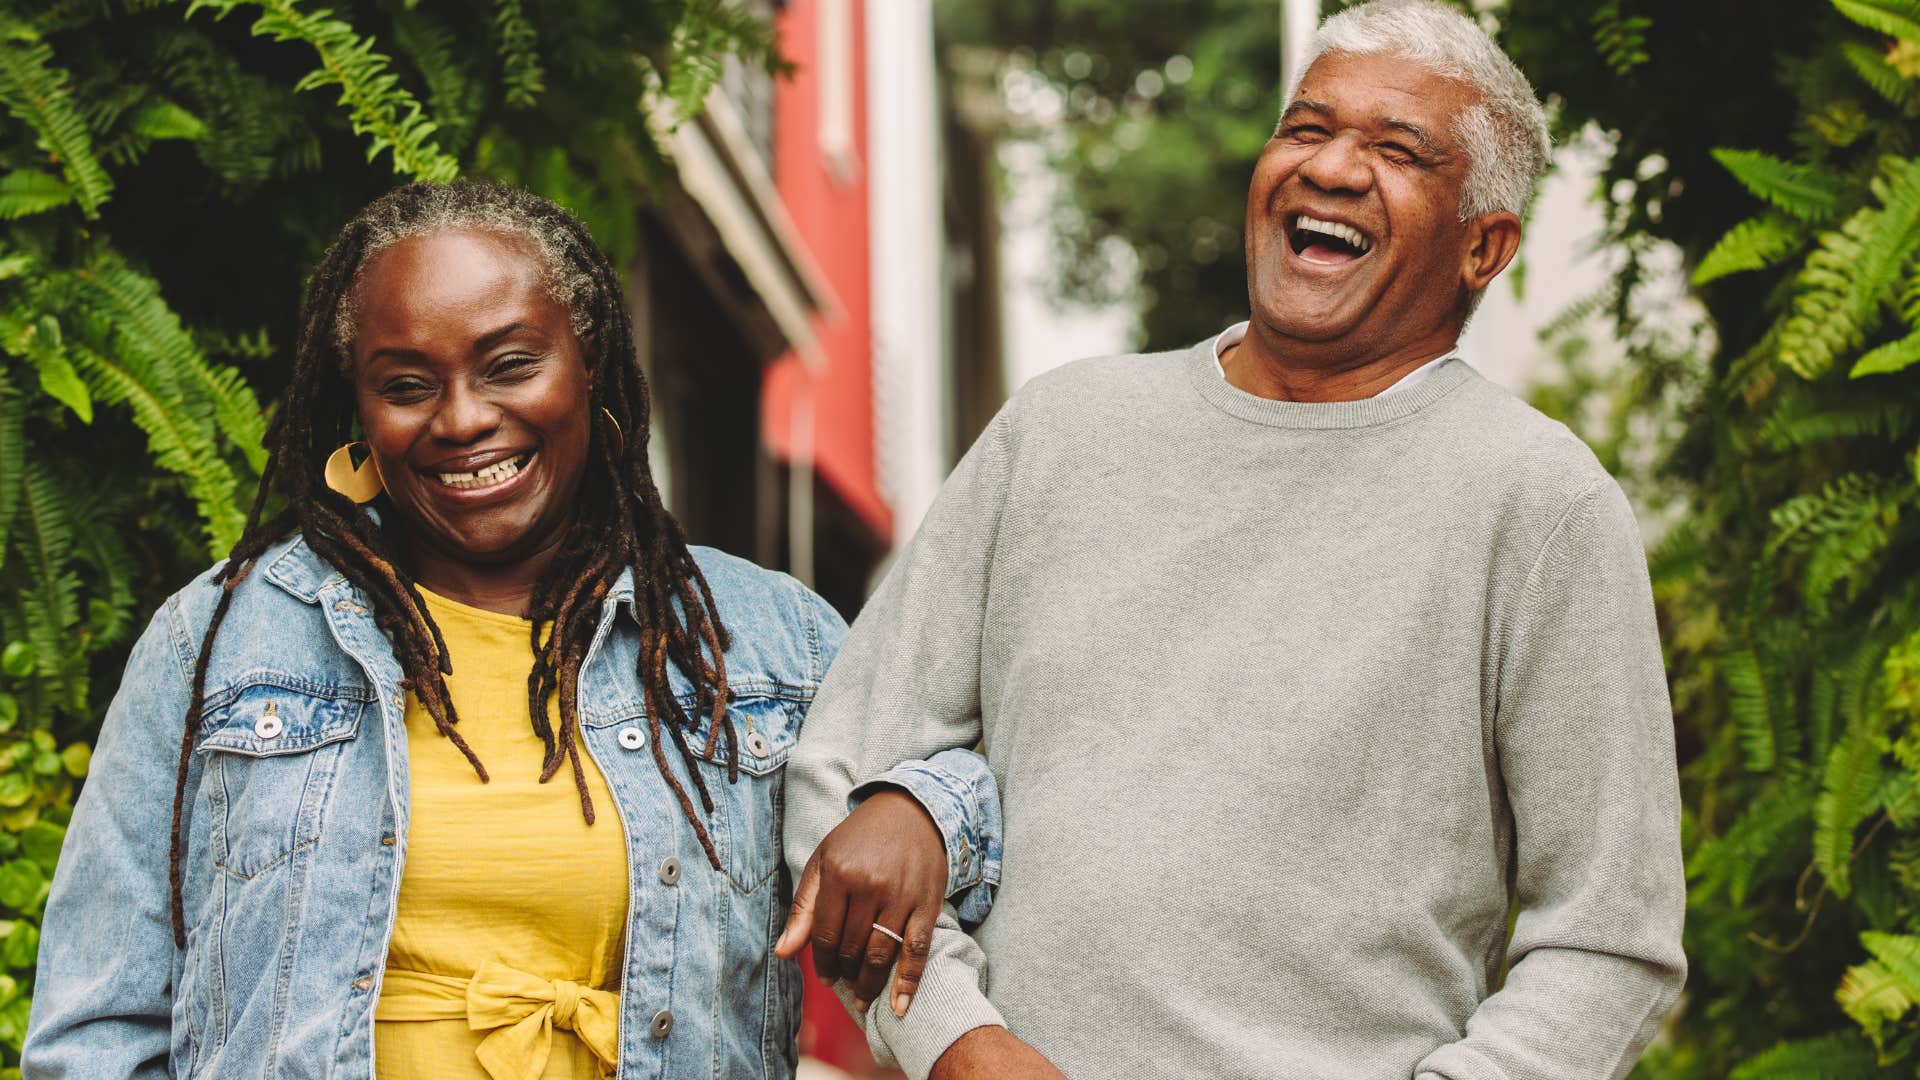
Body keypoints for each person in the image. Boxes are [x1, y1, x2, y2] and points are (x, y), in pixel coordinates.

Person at [783, 2, 1687, 1078]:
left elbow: (1610, 940)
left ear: (1482, 246)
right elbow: (842, 768)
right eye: (1307, 128)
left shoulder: (1540, 505)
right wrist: (956, 1045)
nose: (1334, 168)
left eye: (1399, 150)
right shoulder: (1063, 431)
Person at [23, 180, 1000, 1080]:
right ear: (356, 413)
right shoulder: (227, 639)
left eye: (510, 366)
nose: (461, 419)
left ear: (592, 371)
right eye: (407, 384)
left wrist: (916, 807)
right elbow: (97, 1025)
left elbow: (987, 781)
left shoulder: (760, 641)